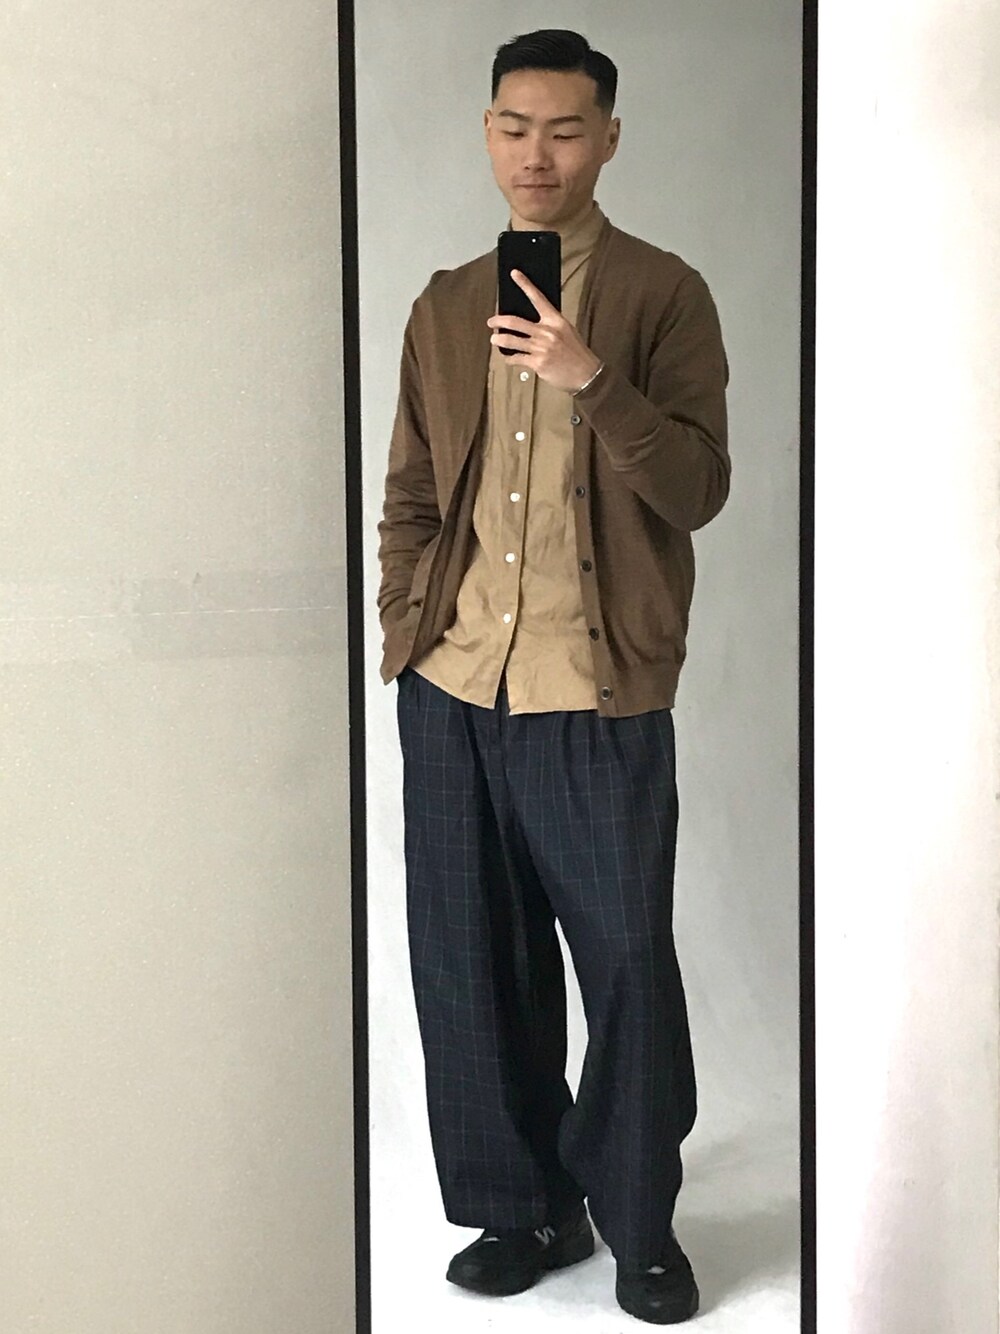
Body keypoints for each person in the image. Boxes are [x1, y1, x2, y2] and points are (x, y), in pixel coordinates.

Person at [376, 28, 729, 1326]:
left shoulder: (662, 293)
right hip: (455, 692)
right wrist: (405, 629)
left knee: (627, 962)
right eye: (515, 126)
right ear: (487, 133)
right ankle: (521, 1207)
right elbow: (411, 493)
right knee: (471, 963)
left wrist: (589, 379)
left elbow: (697, 487)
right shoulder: (442, 303)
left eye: (567, 129)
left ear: (609, 139)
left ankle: (637, 1218)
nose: (539, 153)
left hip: (596, 698)